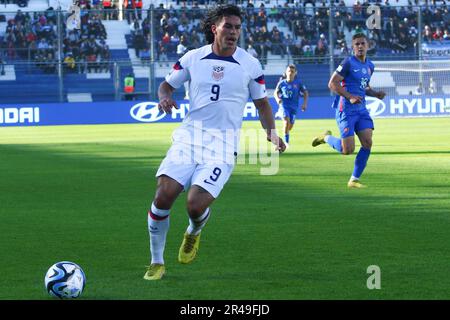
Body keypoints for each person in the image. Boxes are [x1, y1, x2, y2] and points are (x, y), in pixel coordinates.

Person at [143, 4, 286, 281]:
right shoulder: (193, 58)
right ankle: (156, 262)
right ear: (215, 29)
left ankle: (194, 231)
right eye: (228, 26)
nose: (233, 32)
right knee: (163, 196)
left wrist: (271, 132)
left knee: (195, 206)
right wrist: (163, 97)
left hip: (222, 146)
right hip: (189, 138)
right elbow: (166, 85)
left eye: (237, 28)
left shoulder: (250, 64)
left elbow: (262, 104)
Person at [311, 33, 386, 188]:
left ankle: (354, 179)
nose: (360, 46)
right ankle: (326, 138)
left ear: (368, 45)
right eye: (357, 44)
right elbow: (332, 84)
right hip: (346, 109)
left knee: (367, 142)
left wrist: (375, 94)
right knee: (347, 150)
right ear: (353, 47)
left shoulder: (370, 66)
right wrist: (350, 96)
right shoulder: (348, 63)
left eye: (362, 43)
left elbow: (364, 86)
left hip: (361, 109)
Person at [274, 64, 309, 147]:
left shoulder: (298, 83)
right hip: (284, 106)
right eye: (289, 71)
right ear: (286, 72)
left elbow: (305, 92)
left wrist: (304, 104)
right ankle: (286, 143)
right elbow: (275, 92)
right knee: (286, 123)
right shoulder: (282, 83)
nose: (290, 73)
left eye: (292, 71)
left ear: (295, 73)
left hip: (294, 107)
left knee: (289, 127)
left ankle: (285, 132)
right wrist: (278, 99)